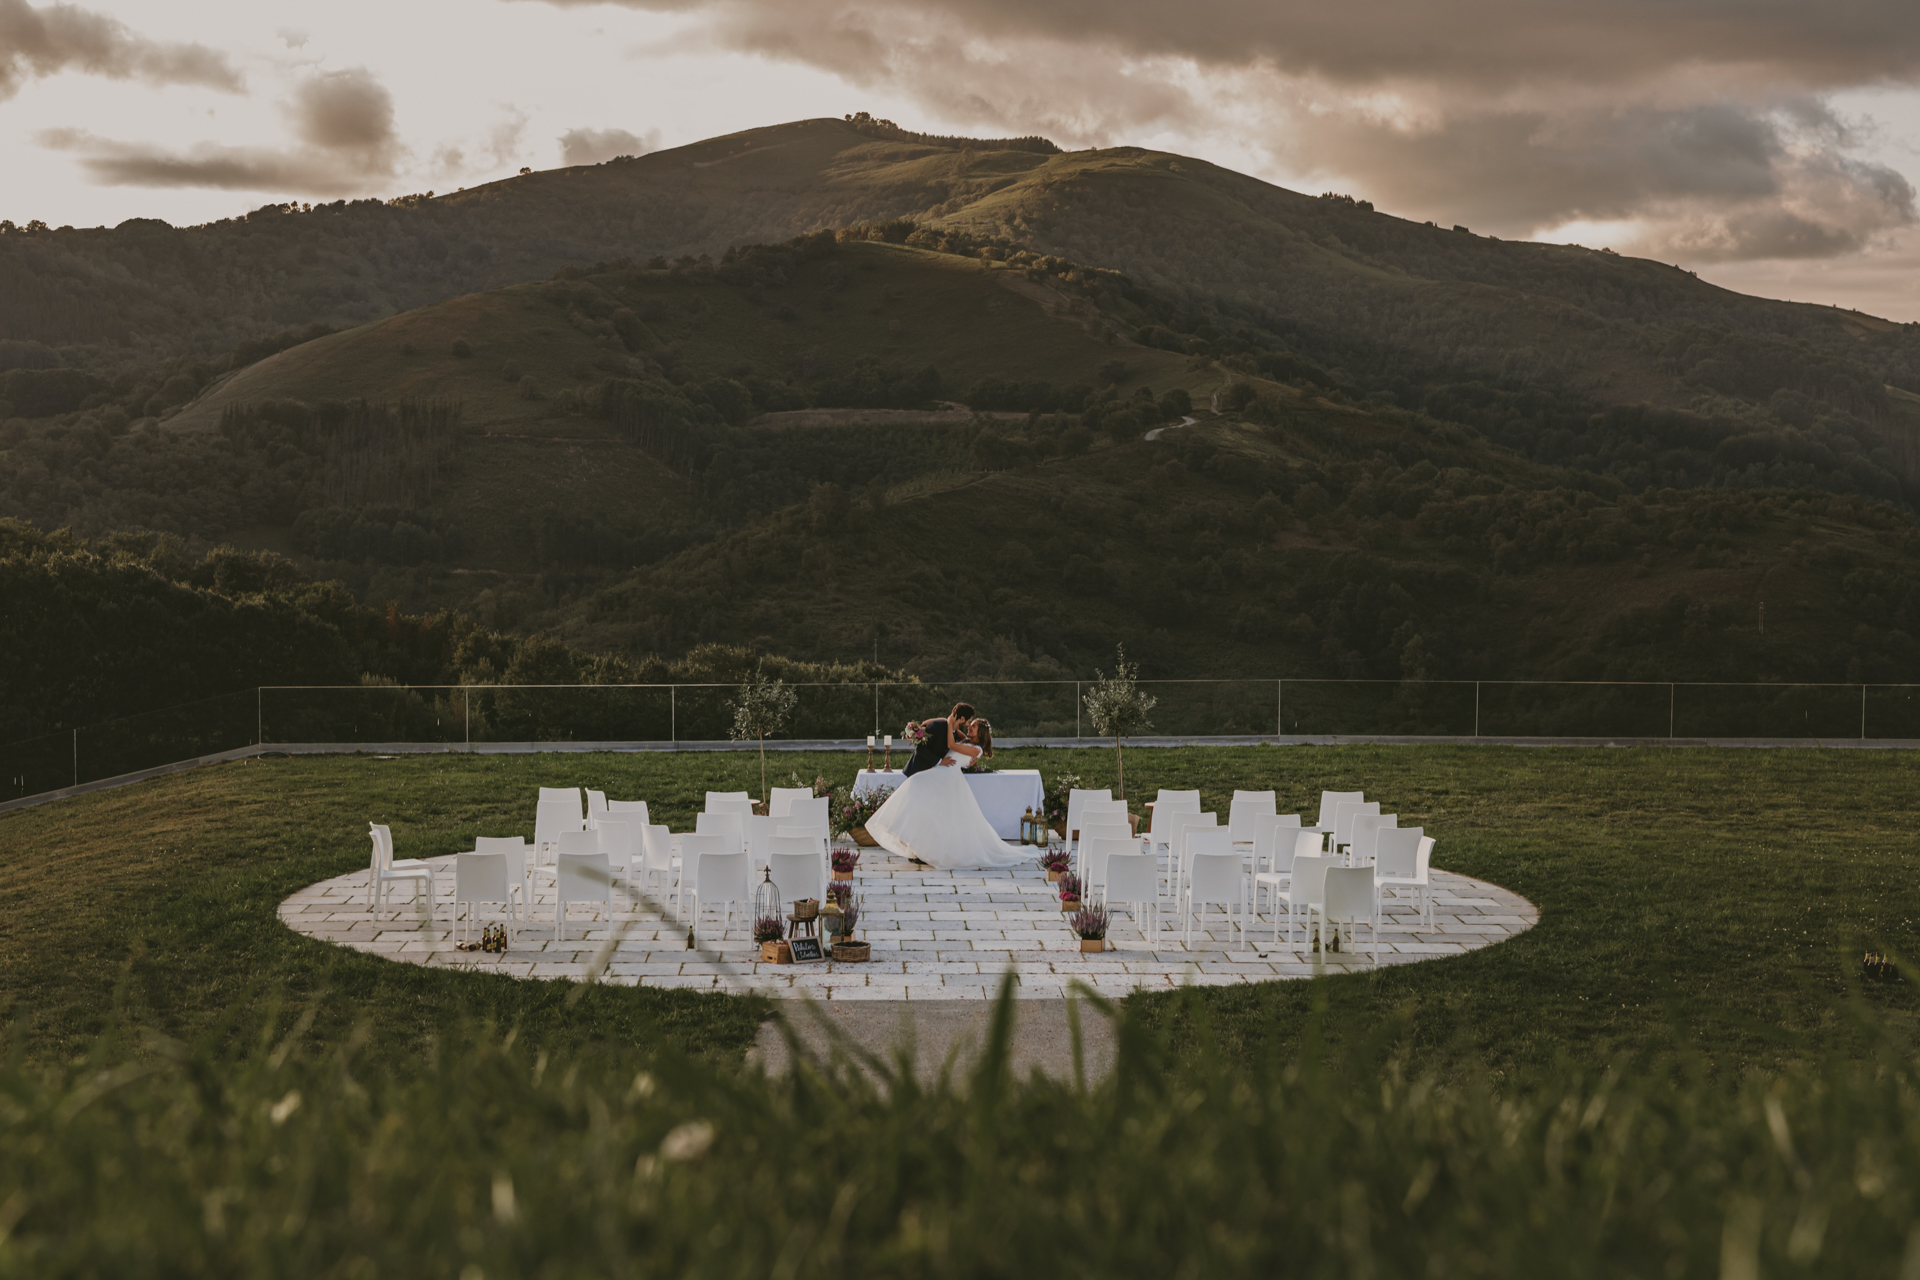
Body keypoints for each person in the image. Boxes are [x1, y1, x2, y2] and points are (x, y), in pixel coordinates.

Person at [865, 704, 1026, 869]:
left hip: (946, 779)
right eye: (970, 723)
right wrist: (943, 720)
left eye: (974, 725)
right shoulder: (964, 738)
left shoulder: (975, 749)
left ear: (981, 733)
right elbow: (936, 725)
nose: (970, 726)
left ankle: (923, 849)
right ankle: (916, 847)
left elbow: (951, 745)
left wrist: (949, 723)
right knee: (924, 806)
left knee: (932, 811)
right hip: (939, 774)